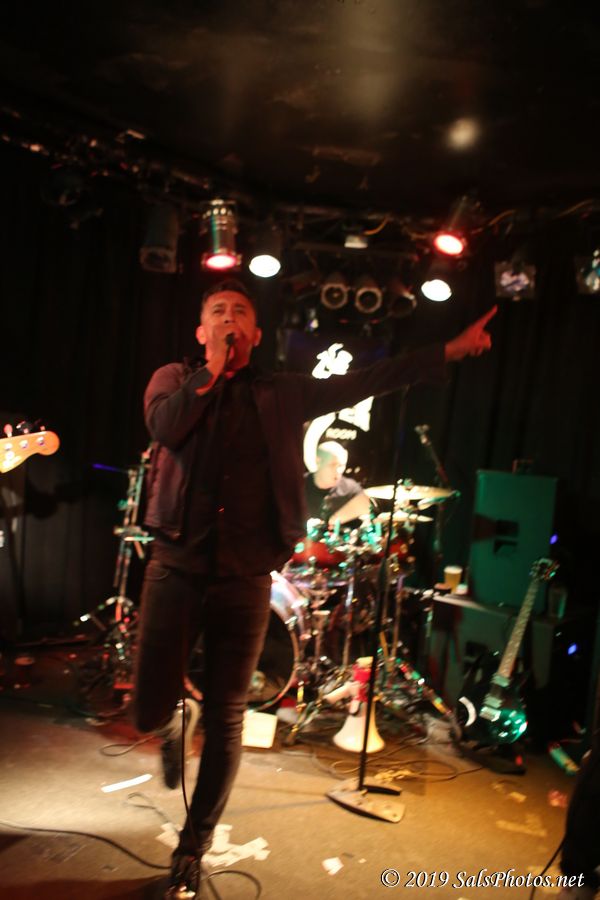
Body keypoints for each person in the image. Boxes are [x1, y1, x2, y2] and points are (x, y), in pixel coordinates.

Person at [134, 276, 496, 899]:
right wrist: (210, 372)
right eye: (217, 311)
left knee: (227, 717)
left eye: (240, 312)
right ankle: (169, 718)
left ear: (256, 334)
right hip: (175, 564)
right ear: (201, 330)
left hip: (246, 575)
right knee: (146, 706)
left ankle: (192, 849)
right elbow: (165, 428)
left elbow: (368, 380)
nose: (228, 318)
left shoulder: (283, 392)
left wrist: (448, 350)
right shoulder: (173, 379)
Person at [304, 440, 371, 528]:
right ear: (318, 461)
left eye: (341, 465)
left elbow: (367, 512)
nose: (338, 471)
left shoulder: (352, 490)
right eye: (332, 465)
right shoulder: (298, 486)